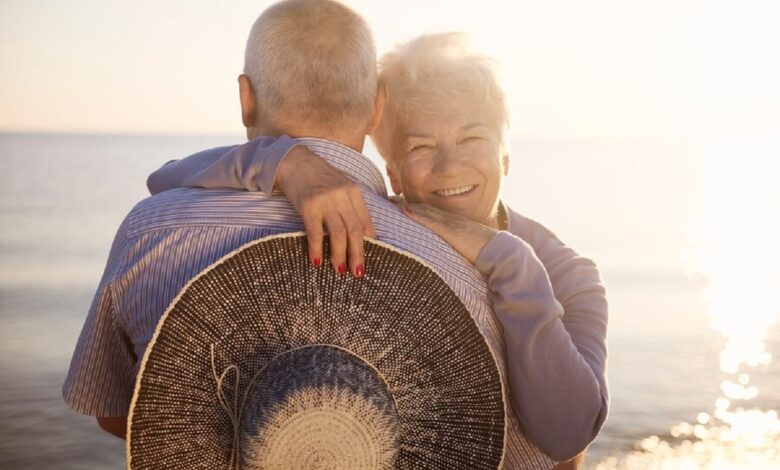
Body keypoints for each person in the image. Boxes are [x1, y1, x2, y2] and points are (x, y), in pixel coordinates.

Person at [62, 1, 557, 467]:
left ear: (246, 99)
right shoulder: (462, 271)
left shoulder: (150, 231)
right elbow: (516, 453)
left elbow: (112, 410)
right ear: (378, 107)